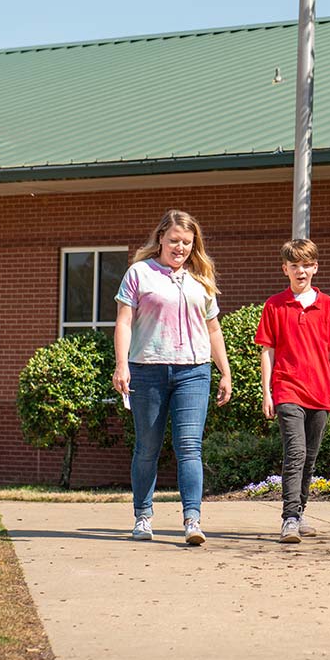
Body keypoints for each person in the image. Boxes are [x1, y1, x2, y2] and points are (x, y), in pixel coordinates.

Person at [113, 209, 231, 545]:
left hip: (194, 371)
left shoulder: (200, 279)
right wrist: (122, 365)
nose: (180, 247)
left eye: (187, 243)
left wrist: (225, 371)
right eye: (175, 240)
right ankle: (143, 516)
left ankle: (192, 520)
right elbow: (123, 322)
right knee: (147, 448)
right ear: (161, 238)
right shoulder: (139, 273)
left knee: (189, 447)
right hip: (148, 370)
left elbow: (213, 328)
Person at [254, 238, 330, 544]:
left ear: (315, 267)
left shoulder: (328, 306)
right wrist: (267, 392)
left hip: (320, 392)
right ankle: (290, 519)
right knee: (294, 452)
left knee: (309, 457)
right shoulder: (275, 305)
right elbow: (267, 351)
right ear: (285, 269)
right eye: (294, 265)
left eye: (307, 265)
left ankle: (301, 512)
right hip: (287, 388)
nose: (301, 271)